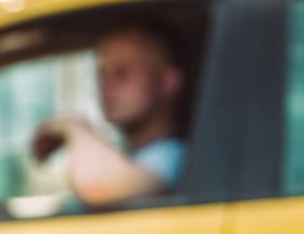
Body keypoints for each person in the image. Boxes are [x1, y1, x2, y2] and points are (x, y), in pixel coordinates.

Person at [30, 19, 187, 206]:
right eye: (101, 75)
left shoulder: (176, 158)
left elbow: (98, 187)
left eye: (122, 73)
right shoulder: (130, 157)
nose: (107, 86)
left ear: (167, 82)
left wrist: (71, 125)